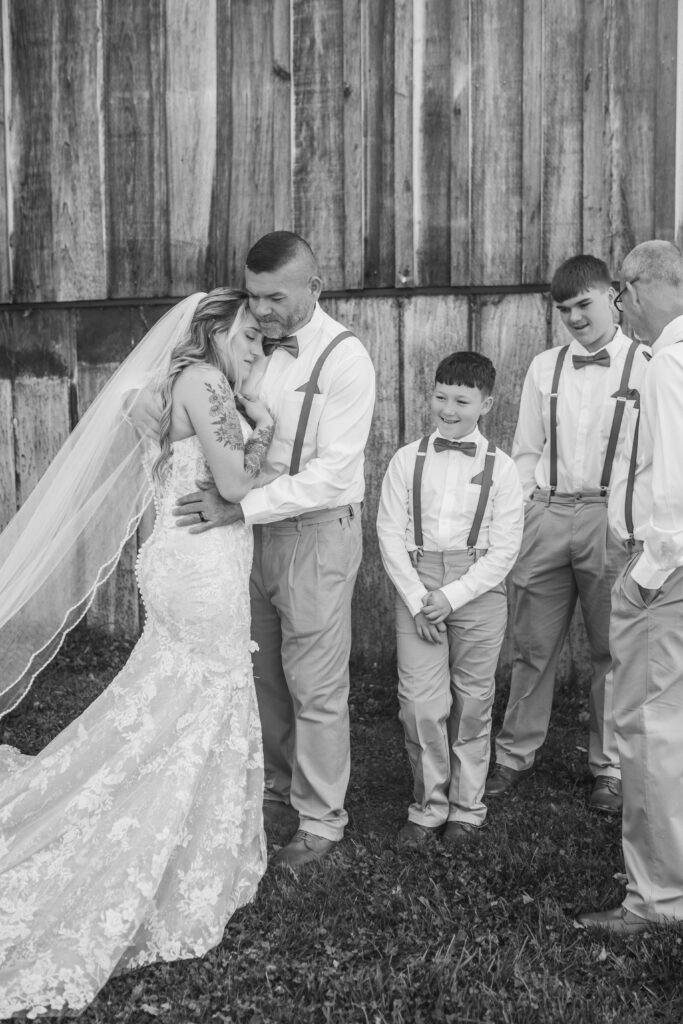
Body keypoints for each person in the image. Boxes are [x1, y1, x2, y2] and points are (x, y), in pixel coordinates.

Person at [0, 290, 273, 1017]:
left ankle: (185, 838)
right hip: (201, 569)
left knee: (174, 697)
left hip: (177, 559)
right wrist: (266, 432)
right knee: (200, 701)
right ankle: (175, 854)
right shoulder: (208, 383)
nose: (254, 346)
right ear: (211, 332)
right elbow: (236, 483)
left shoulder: (168, 386)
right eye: (246, 334)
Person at [173, 232, 376, 869]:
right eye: (254, 296)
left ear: (315, 287)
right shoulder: (243, 343)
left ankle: (321, 821)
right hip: (244, 537)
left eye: (274, 297)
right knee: (263, 673)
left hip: (316, 532)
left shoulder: (347, 359)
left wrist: (239, 504)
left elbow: (336, 474)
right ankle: (278, 787)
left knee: (315, 681)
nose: (260, 311)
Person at [486, 255, 650, 813]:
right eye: (564, 309)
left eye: (585, 304)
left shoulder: (649, 365)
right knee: (532, 646)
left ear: (614, 297)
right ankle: (513, 754)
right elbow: (526, 449)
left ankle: (610, 767)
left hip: (615, 520)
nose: (575, 318)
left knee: (614, 650)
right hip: (549, 514)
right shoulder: (544, 367)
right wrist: (530, 508)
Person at [576, 240, 683, 933]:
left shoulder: (668, 359)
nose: (618, 303)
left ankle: (655, 901)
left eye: (619, 290)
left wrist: (648, 572)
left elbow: (672, 480)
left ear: (640, 288)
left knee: (649, 733)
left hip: (667, 573)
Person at [376, 352, 524, 846]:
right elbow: (389, 534)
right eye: (441, 397)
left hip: (477, 586)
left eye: (462, 400)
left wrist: (453, 595)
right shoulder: (405, 459)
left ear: (486, 403)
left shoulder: (502, 469)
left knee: (473, 700)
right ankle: (428, 805)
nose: (449, 408)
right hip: (416, 581)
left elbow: (504, 549)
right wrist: (420, 599)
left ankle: (466, 806)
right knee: (420, 703)